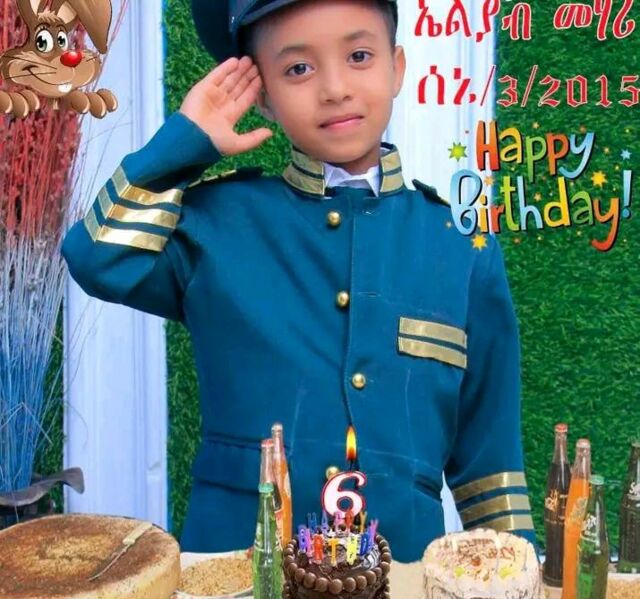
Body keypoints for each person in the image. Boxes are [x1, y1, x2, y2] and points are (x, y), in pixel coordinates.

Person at [61, 0, 536, 562]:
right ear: (261, 95)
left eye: (359, 56)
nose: (334, 89)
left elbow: (490, 467)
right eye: (298, 69)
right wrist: (187, 142)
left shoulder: (459, 248)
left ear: (397, 67)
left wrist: (516, 582)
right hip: (237, 581)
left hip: (402, 585)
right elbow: (95, 256)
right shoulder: (217, 223)